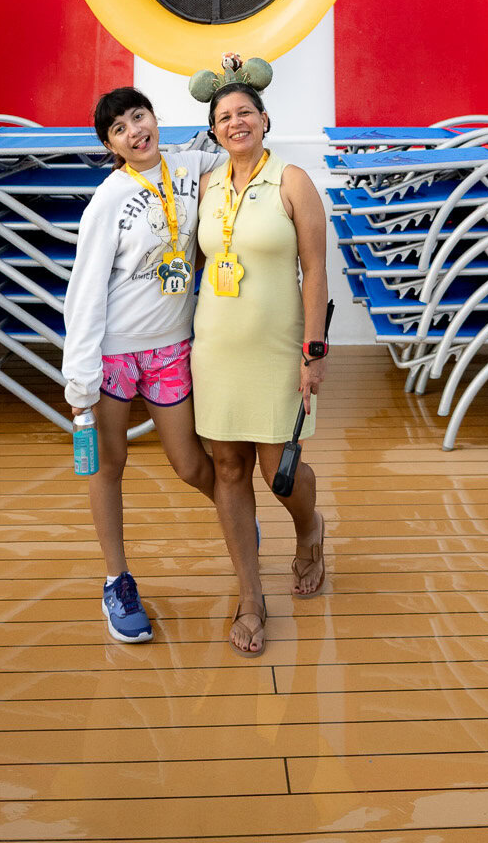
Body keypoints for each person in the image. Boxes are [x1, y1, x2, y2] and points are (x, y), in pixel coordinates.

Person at [62, 87, 217, 644]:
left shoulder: (191, 166)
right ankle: (117, 581)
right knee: (109, 465)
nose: (134, 131)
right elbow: (85, 291)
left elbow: (236, 135)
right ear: (111, 145)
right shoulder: (108, 199)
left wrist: (231, 80)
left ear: (154, 117)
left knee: (190, 464)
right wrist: (80, 377)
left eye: (138, 116)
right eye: (119, 129)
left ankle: (237, 522)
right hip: (113, 353)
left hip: (170, 347)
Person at [192, 76, 331, 656]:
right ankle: (251, 596)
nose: (236, 122)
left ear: (265, 120)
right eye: (225, 117)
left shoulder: (293, 181)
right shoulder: (205, 186)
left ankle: (309, 528)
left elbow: (316, 270)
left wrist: (314, 351)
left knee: (280, 472)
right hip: (216, 348)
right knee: (228, 467)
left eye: (245, 112)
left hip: (277, 349)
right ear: (213, 131)